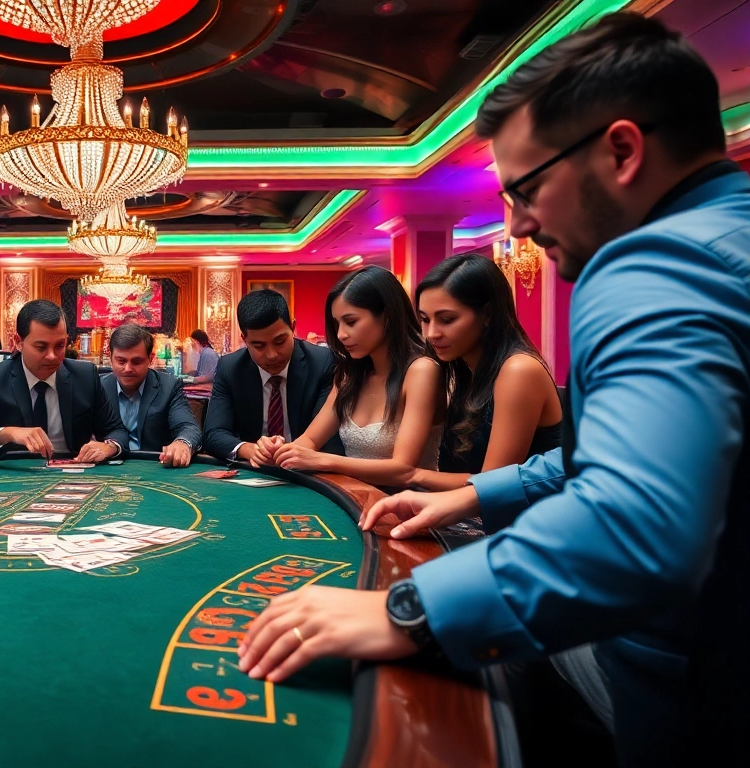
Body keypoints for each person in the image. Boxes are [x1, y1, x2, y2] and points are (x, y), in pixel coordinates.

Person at [237, 14, 749, 766]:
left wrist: (409, 610)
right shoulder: (725, 237)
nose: (515, 222)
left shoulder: (655, 267)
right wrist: (477, 495)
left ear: (621, 150)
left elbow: (636, 524)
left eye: (527, 188)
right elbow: (613, 460)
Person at [274, 266, 444, 486]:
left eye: (351, 322)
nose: (341, 334)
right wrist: (281, 451)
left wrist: (324, 460)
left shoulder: (421, 370)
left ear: (387, 316)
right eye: (337, 324)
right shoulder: (349, 374)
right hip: (354, 499)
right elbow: (311, 439)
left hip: (414, 506)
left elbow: (403, 468)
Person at [411, 255, 563, 490]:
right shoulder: (465, 370)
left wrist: (410, 476)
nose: (431, 333)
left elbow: (494, 485)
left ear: (488, 314)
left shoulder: (519, 370)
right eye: (424, 319)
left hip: (531, 520)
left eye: (447, 319)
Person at [0, 299, 128, 461]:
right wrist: (9, 433)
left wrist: (109, 447)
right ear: (18, 342)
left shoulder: (84, 376)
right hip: (14, 477)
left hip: (74, 473)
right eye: (41, 347)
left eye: (59, 346)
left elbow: (116, 431)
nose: (52, 356)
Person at [202, 290, 340, 464]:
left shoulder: (323, 363)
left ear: (293, 327)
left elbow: (329, 437)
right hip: (254, 471)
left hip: (310, 471)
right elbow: (213, 434)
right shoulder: (230, 368)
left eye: (280, 341)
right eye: (259, 346)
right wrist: (250, 449)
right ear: (244, 340)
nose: (272, 355)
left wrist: (290, 453)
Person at [101, 323, 202, 467]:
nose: (128, 368)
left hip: (154, 469)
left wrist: (182, 443)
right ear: (110, 357)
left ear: (150, 358)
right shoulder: (98, 387)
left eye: (136, 361)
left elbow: (188, 428)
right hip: (107, 470)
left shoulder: (168, 386)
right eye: (121, 361)